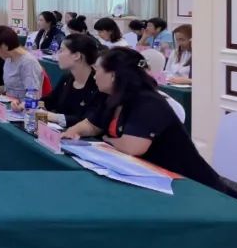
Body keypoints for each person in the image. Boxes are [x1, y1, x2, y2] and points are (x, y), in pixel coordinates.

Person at [63, 48, 225, 192]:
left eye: (97, 70)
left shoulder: (148, 102)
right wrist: (74, 131)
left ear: (113, 75)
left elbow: (133, 147)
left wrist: (106, 140)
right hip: (146, 174)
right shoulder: (110, 96)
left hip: (188, 184)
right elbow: (92, 125)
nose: (94, 76)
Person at [40, 34, 104, 128]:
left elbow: (89, 121)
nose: (57, 54)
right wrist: (30, 104)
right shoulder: (67, 78)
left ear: (76, 55)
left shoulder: (98, 85)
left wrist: (54, 117)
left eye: (61, 50)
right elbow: (50, 100)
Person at [0, 25, 45, 98]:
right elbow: (11, 88)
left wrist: (19, 103)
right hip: (10, 100)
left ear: (4, 46)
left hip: (22, 104)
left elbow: (33, 95)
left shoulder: (28, 63)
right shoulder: (8, 59)